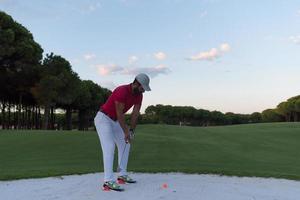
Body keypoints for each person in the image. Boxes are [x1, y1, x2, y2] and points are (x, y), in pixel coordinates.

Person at [94, 73, 151, 191]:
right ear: (136, 83)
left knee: (126, 143)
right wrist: (125, 130)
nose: (143, 91)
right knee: (109, 147)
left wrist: (131, 131)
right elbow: (120, 113)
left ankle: (122, 175)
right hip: (103, 119)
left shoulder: (139, 95)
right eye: (142, 88)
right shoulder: (122, 90)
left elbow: (135, 113)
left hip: (115, 121)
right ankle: (108, 181)